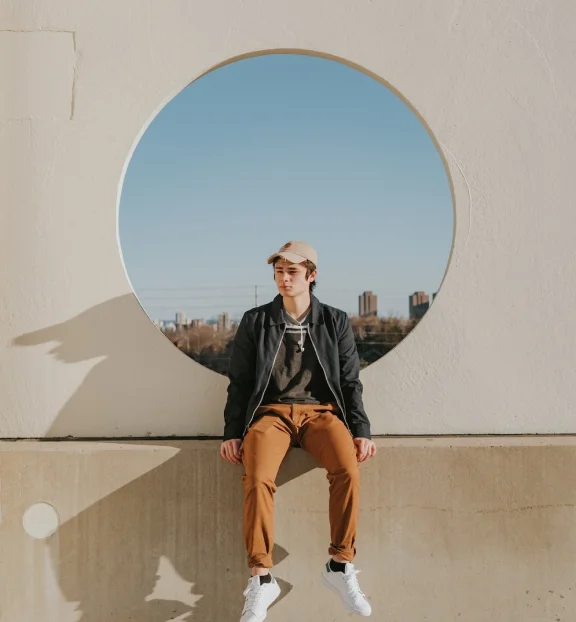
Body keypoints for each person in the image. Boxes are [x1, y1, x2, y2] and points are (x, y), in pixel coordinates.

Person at [220, 240, 376, 620]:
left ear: (311, 275)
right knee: (257, 478)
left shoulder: (335, 321)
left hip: (321, 414)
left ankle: (339, 565)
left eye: (292, 272)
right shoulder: (256, 321)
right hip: (270, 415)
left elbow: (350, 381)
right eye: (279, 272)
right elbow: (239, 382)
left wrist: (361, 429)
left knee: (348, 469)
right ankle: (261, 578)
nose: (284, 279)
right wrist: (232, 431)